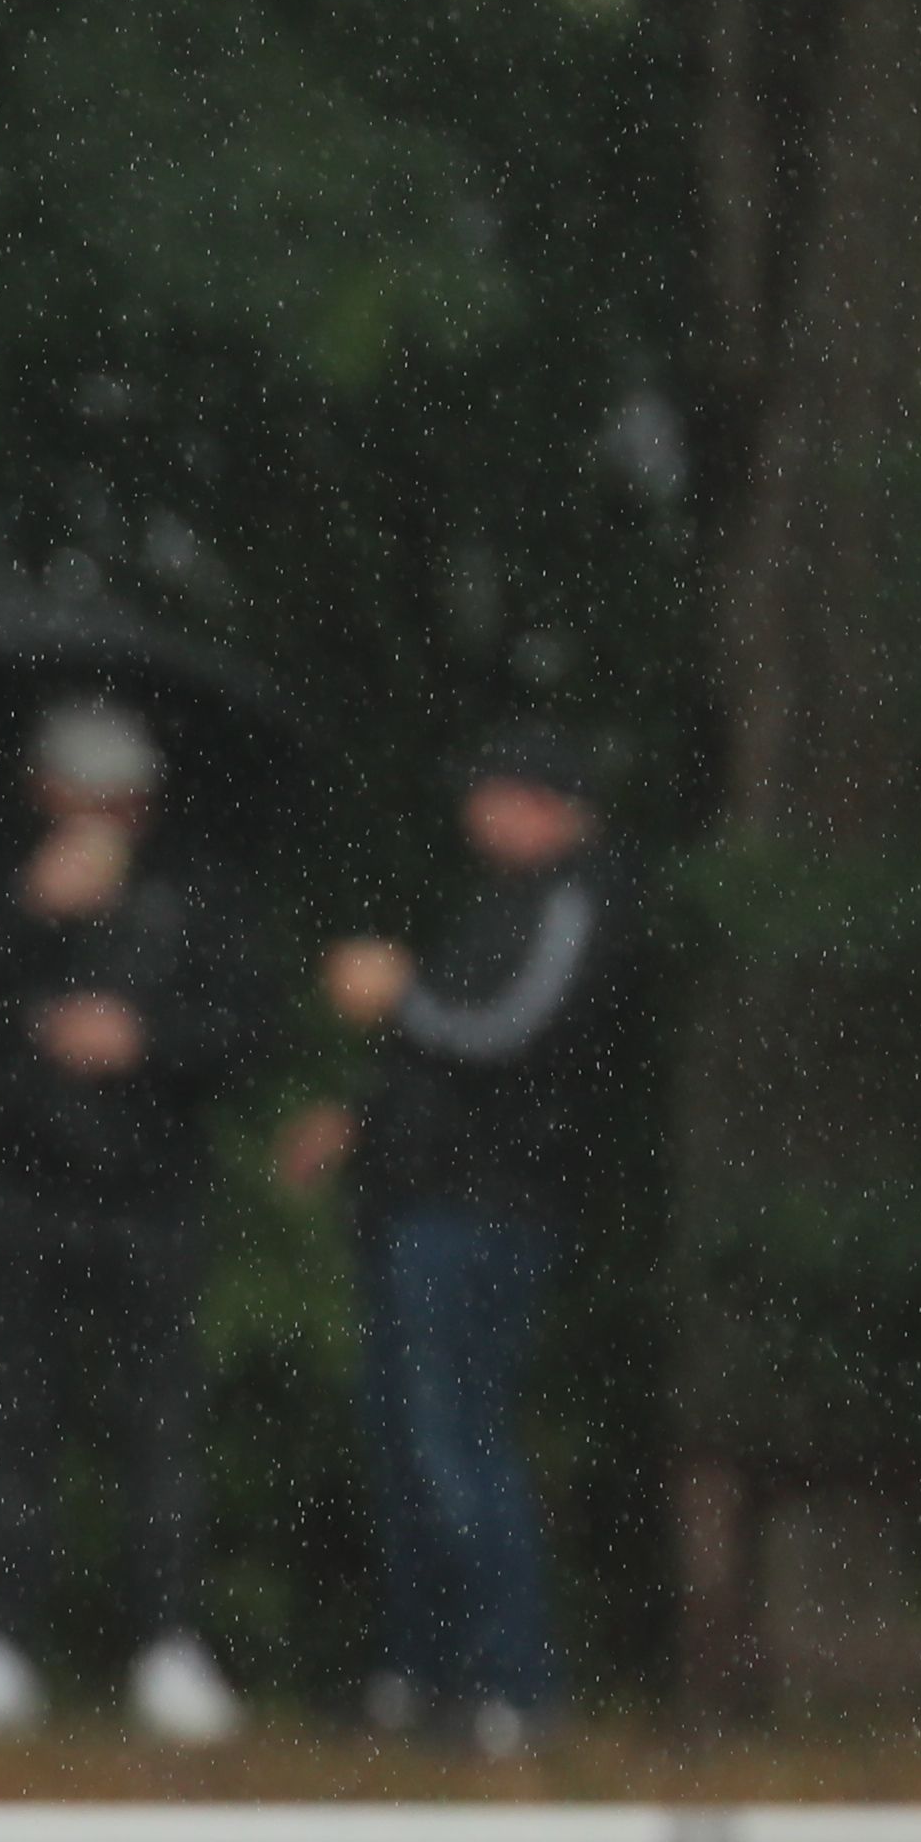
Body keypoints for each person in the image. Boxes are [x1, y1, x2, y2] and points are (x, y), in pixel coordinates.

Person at [0, 699, 262, 1746]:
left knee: (159, 1425)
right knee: (16, 1421)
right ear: (44, 789)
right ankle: (2, 1645)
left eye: (123, 795)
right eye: (82, 790)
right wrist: (30, 916)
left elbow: (244, 1029)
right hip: (22, 1189)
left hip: (153, 1195)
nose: (104, 811)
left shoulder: (199, 891)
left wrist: (145, 1040)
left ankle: (167, 1645)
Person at [289, 731, 621, 1757]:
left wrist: (403, 998)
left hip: (488, 1215)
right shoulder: (498, 902)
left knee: (462, 1444)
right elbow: (446, 1061)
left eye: (501, 790)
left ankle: (512, 1686)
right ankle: (425, 1676)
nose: (480, 810)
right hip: (419, 1206)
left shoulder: (573, 903)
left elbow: (507, 1034)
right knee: (407, 1444)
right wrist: (363, 1122)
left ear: (554, 803)